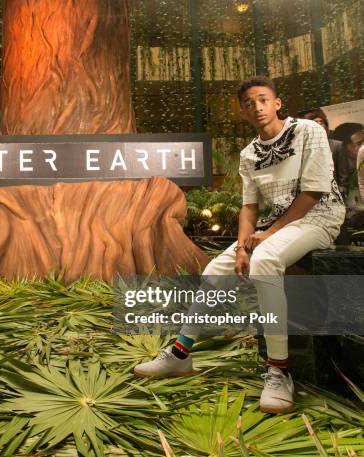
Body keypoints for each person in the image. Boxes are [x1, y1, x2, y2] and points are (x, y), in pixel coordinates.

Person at [133, 76, 345, 414]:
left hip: (319, 217)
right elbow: (249, 206)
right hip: (274, 224)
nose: (257, 107)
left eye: (263, 99)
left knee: (266, 262)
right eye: (249, 103)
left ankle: (279, 371)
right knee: (216, 268)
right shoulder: (249, 153)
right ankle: (180, 353)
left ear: (277, 103)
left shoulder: (308, 131)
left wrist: (269, 235)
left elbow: (315, 191)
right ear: (242, 112)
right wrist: (243, 246)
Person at [295, 108, 344, 185]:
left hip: (333, 187)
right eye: (316, 122)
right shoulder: (303, 146)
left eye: (321, 122)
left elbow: (342, 172)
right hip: (312, 187)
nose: (319, 124)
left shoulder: (336, 145)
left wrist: (342, 188)